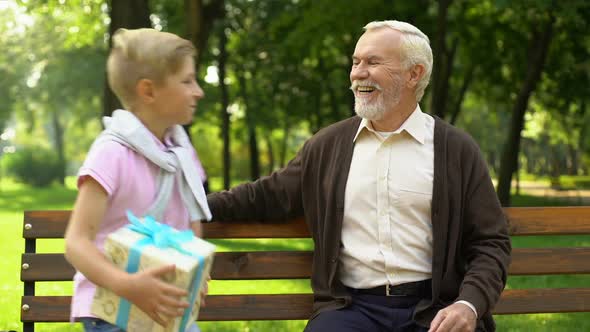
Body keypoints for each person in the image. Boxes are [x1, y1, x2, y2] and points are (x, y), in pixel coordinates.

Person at [205, 20, 511, 332]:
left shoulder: (456, 150)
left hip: (434, 309)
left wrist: (469, 303)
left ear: (414, 74)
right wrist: (195, 204)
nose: (358, 73)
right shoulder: (328, 146)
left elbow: (491, 241)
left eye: (373, 62)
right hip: (351, 309)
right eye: (356, 62)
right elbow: (266, 196)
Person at [64, 28, 211, 332]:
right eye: (187, 81)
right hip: (111, 311)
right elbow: (76, 242)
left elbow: (191, 221)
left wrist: (198, 271)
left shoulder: (182, 153)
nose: (199, 91)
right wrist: (128, 284)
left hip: (164, 314)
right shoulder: (111, 153)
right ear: (148, 91)